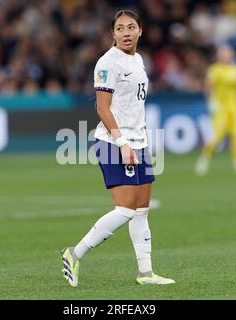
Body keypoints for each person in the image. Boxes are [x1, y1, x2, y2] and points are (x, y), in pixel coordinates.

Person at [61, 10, 175, 287]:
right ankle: (74, 254)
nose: (126, 32)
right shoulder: (107, 63)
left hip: (140, 142)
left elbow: (135, 105)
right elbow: (102, 107)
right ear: (112, 34)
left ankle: (146, 273)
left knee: (142, 211)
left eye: (131, 27)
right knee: (125, 210)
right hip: (114, 143)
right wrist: (123, 143)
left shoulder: (137, 59)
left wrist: (142, 138)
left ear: (140, 31)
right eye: (120, 28)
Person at [195, 45, 236, 176]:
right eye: (223, 54)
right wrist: (210, 102)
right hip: (220, 107)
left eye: (228, 54)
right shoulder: (214, 70)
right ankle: (204, 158)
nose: (226, 56)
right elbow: (208, 87)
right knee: (217, 136)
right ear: (219, 56)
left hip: (234, 106)